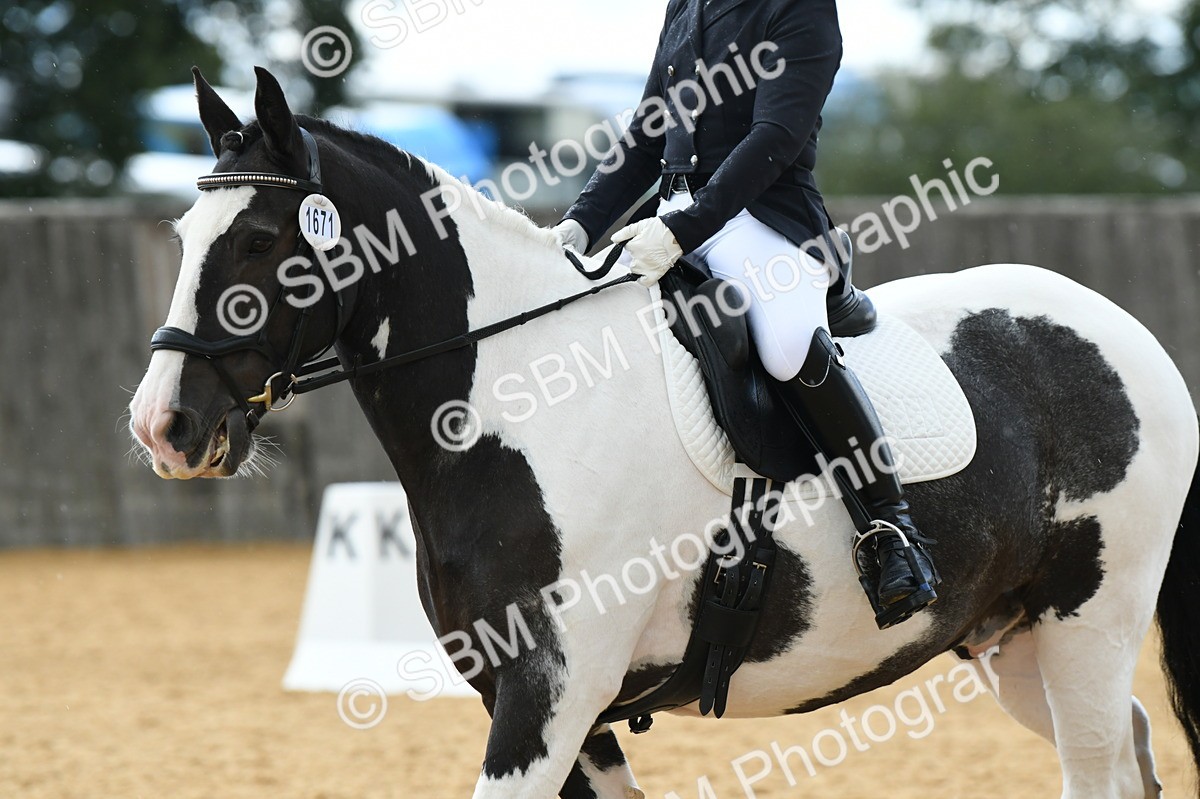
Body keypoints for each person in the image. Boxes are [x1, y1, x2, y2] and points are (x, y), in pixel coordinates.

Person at [553, 0, 939, 627]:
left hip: (763, 218)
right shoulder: (687, 5)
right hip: (672, 216)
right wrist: (580, 223)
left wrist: (684, 230)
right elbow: (650, 130)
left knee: (786, 345)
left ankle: (893, 530)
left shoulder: (799, 8)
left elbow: (776, 138)